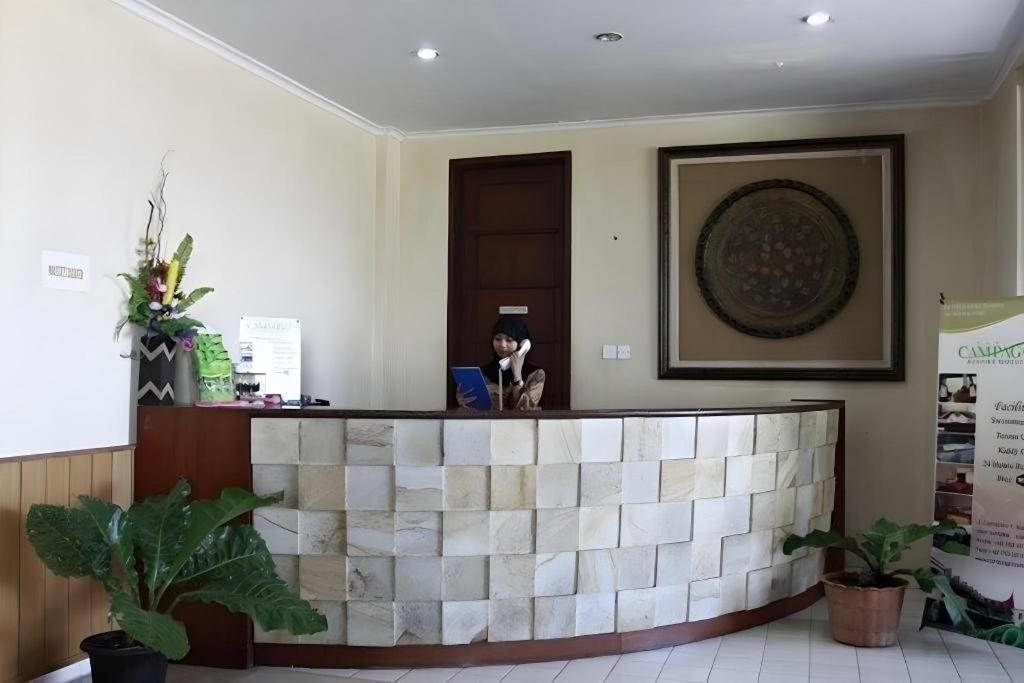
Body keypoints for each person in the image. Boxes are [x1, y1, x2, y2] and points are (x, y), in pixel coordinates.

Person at [459, 314, 545, 410]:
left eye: (509, 340)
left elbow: (526, 409)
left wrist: (517, 376)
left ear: (522, 344)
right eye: (498, 339)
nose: (502, 345)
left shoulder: (536, 374)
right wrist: (464, 402)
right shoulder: (482, 374)